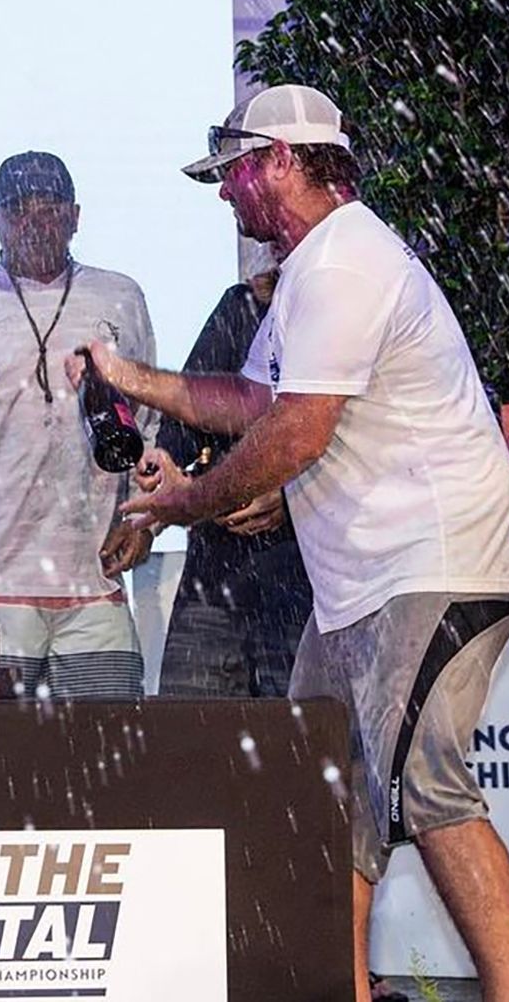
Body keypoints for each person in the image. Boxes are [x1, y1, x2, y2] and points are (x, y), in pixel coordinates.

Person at [78, 85, 509, 1002]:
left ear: (282, 158)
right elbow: (250, 404)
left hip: (429, 566)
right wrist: (133, 381)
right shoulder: (310, 273)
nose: (223, 195)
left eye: (233, 172)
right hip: (364, 580)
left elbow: (295, 435)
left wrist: (189, 505)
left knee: (431, 790)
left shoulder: (343, 264)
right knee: (323, 792)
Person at [0, 150, 156, 700]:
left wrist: (145, 520)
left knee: (106, 768)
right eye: (18, 209)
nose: (35, 222)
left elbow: (149, 423)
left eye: (50, 208)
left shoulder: (120, 297)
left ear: (76, 215)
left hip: (93, 579)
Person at [151, 246, 315, 700]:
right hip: (215, 571)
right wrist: (163, 466)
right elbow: (189, 409)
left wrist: (291, 496)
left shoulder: (346, 311)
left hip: (304, 584)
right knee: (188, 745)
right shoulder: (243, 306)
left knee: (299, 746)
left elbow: (359, 437)